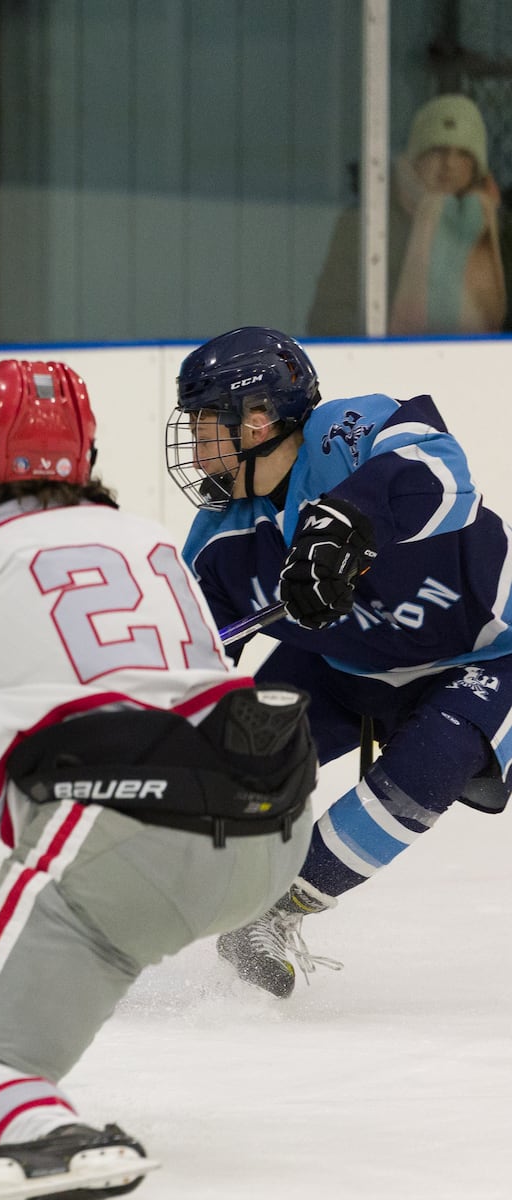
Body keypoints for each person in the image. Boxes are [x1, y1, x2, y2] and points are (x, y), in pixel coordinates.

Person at [0, 360, 316, 1198]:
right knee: (112, 914)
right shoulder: (150, 542)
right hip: (277, 822)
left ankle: (39, 1131)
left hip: (125, 830)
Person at [166, 326, 512, 998]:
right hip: (347, 666)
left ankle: (279, 912)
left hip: (484, 652)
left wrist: (343, 520)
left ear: (258, 419)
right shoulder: (221, 539)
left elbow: (444, 468)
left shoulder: (341, 435)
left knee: (429, 765)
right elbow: (181, 662)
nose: (197, 447)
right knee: (228, 758)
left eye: (207, 426)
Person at [307, 93, 509, 336]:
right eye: (438, 150)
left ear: (477, 166)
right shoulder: (368, 223)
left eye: (463, 154)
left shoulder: (496, 230)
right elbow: (329, 316)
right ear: (416, 157)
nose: (449, 164)